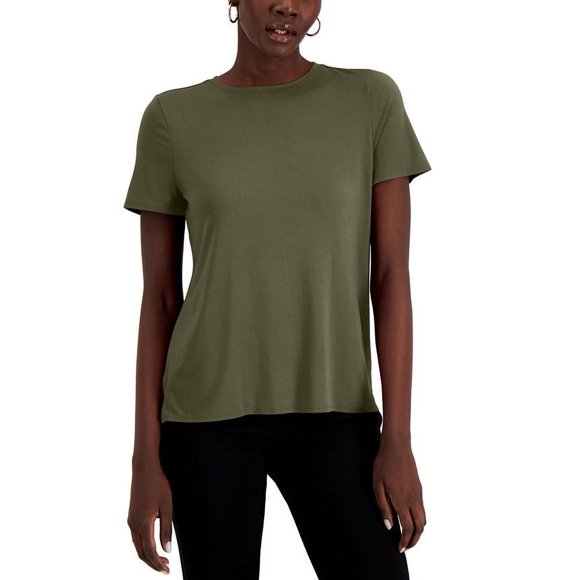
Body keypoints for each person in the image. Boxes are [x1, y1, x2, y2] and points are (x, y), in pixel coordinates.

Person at [124, 1, 431, 578]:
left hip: (336, 411)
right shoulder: (172, 117)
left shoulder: (371, 100)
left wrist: (398, 438)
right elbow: (160, 300)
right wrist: (145, 459)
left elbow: (391, 277)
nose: (286, 5)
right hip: (204, 420)